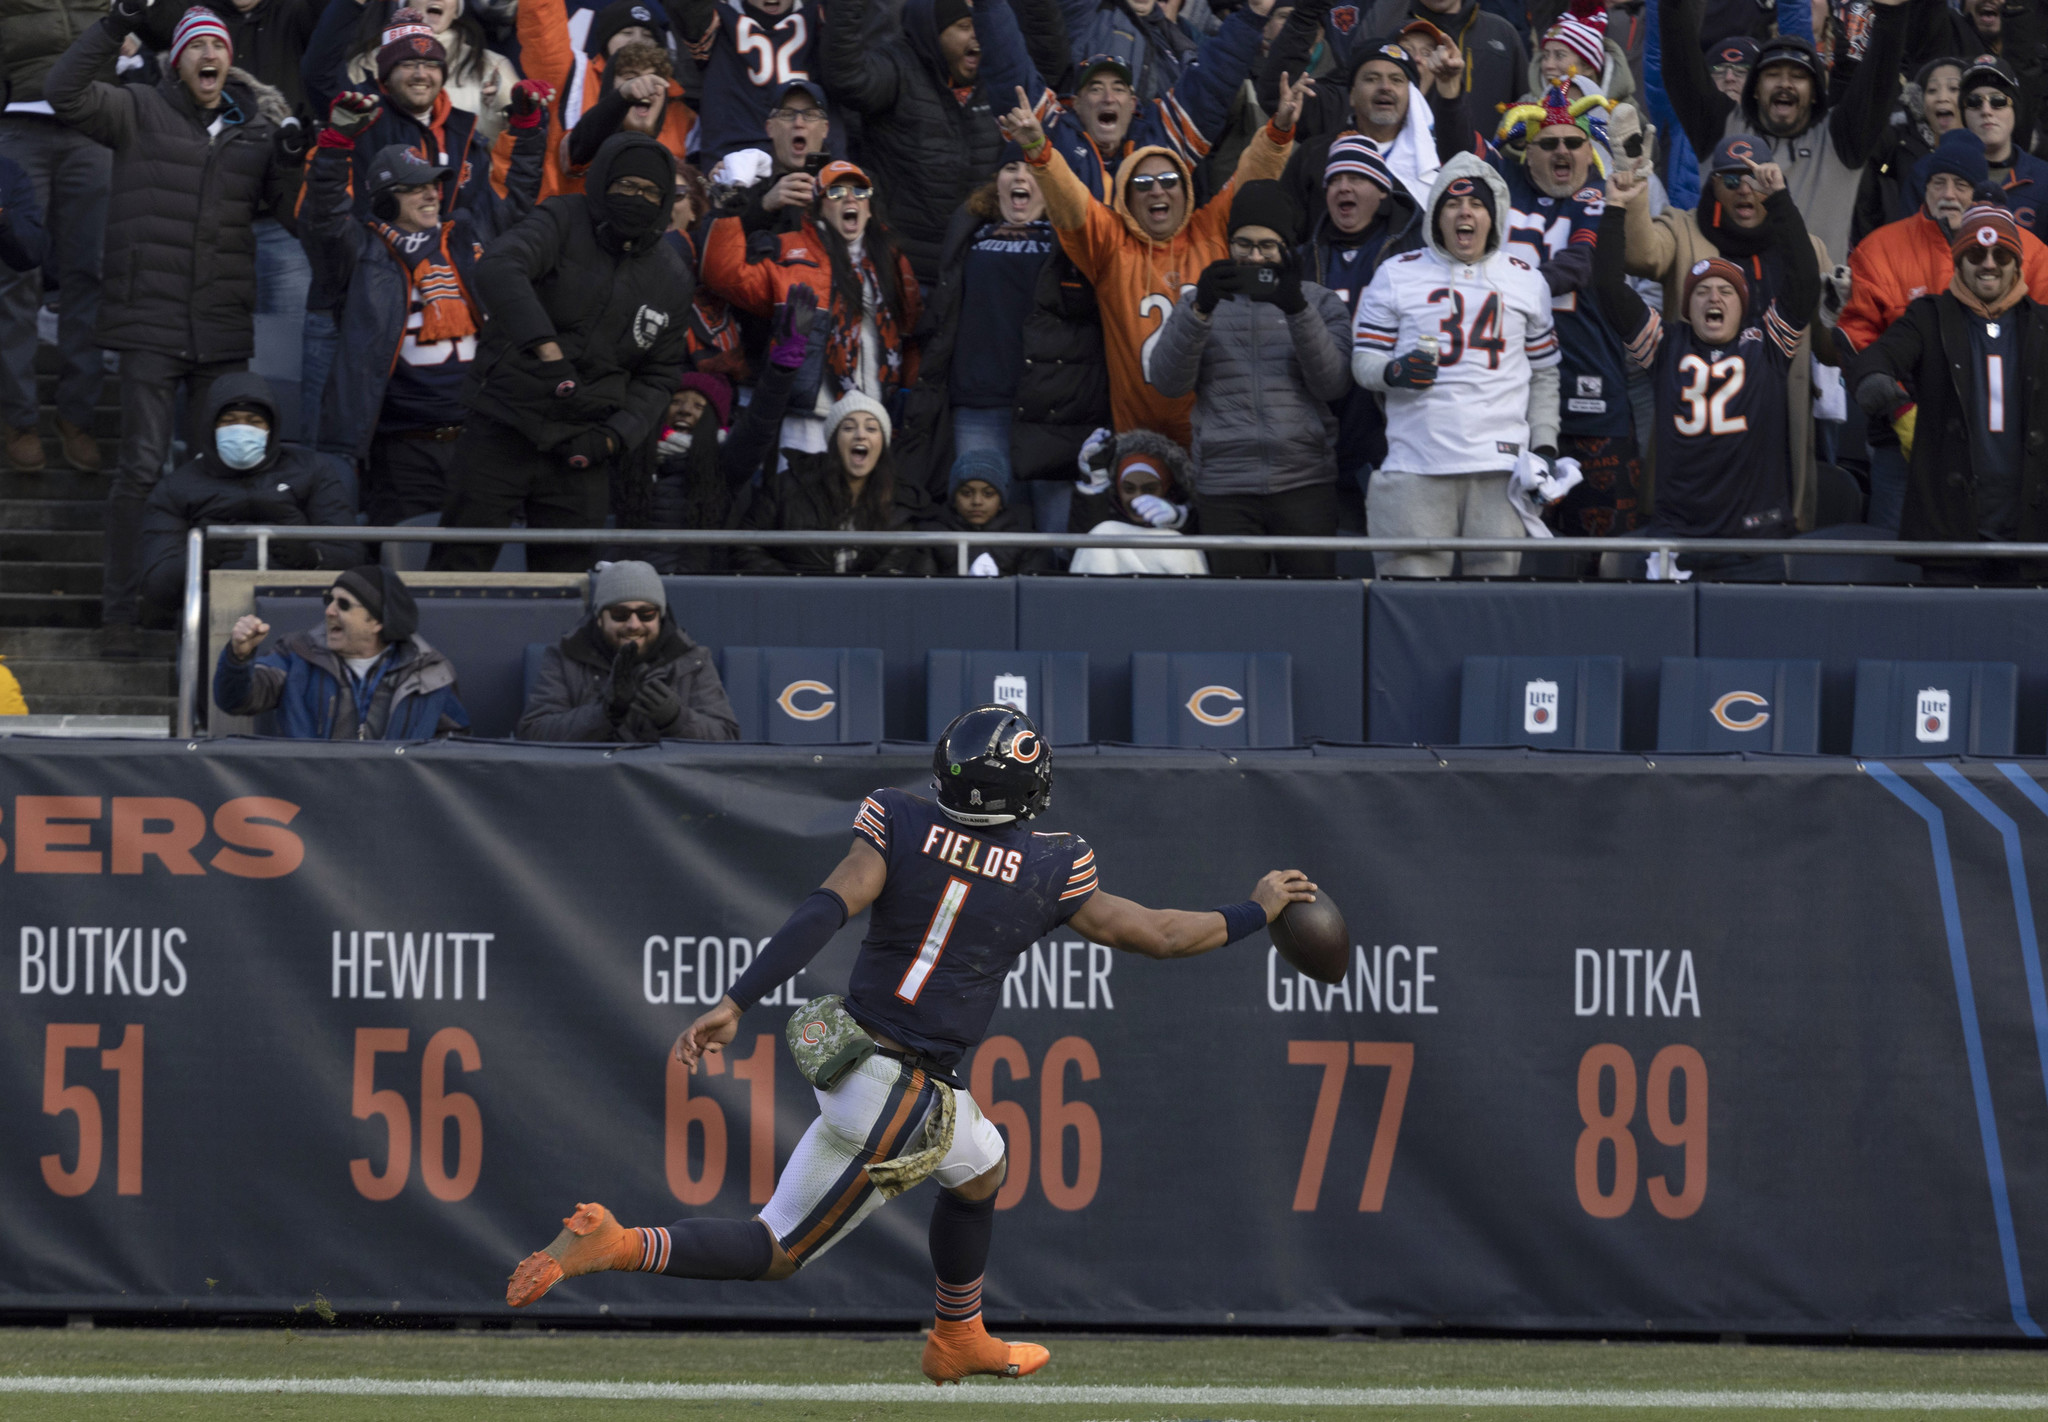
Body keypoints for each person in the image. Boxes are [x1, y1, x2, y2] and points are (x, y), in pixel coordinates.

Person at [502, 704, 1318, 1385]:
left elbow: (825, 908)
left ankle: (958, 1333)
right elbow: (1162, 936)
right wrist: (1258, 909)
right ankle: (616, 1245)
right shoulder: (1051, 867)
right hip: (905, 1090)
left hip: (850, 1054)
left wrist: (736, 1000)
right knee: (783, 1252)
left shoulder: (897, 819)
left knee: (982, 1166)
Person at [48, 3, 305, 659]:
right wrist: (114, 24)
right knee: (139, 468)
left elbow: (292, 208)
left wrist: (302, 158)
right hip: (150, 325)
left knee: (221, 472)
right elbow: (63, 92)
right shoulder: (137, 109)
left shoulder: (255, 130)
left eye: (219, 46)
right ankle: (121, 616)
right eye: (197, 47)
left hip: (221, 331)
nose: (209, 56)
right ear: (178, 59)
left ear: (229, 61)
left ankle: (204, 616)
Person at [429, 132, 692, 573]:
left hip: (583, 449)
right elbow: (499, 266)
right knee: (458, 567)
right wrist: (548, 353)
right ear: (603, 182)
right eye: (625, 186)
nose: (636, 198)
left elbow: (660, 376)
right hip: (503, 426)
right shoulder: (562, 218)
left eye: (650, 192)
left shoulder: (673, 277)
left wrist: (613, 437)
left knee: (568, 587)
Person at [1005, 74, 1309, 451]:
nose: (1157, 190)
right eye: (1143, 184)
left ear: (1186, 188)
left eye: (1168, 179)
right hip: (1139, 446)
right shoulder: (1111, 246)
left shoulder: (1210, 230)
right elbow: (1070, 199)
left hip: (1214, 441)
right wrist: (1038, 148)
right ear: (1127, 199)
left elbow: (1252, 177)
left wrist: (1279, 130)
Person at [305, 108, 547, 526]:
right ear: (384, 198)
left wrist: (527, 131)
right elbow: (323, 218)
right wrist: (334, 148)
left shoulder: (469, 233)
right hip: (402, 448)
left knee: (487, 565)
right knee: (407, 565)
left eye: (435, 184)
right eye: (415, 188)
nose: (432, 194)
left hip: (482, 437)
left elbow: (518, 198)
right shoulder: (359, 251)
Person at [1593, 161, 1817, 570]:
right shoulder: (1665, 346)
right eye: (1702, 292)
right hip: (1677, 537)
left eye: (1725, 291)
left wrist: (1781, 200)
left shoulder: (1768, 345)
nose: (1714, 298)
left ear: (1744, 305)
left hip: (1755, 537)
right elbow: (1609, 288)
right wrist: (1615, 209)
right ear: (1686, 308)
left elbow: (1804, 282)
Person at [1352, 153, 1560, 577]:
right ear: (1435, 216)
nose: (1465, 212)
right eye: (1452, 203)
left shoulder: (1526, 278)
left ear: (1495, 214)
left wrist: (1543, 446)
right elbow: (1363, 360)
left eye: (1477, 204)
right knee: (1409, 604)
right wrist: (1393, 372)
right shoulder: (1397, 274)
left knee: (1490, 607)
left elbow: (1544, 373)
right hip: (1416, 464)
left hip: (1500, 468)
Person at [1838, 128, 2048, 530]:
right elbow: (1860, 342)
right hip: (1903, 446)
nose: (1948, 193)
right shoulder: (1881, 249)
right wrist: (1900, 409)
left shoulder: (2031, 253)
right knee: (1906, 578)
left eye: (1961, 183)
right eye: (1938, 182)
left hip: (2011, 449)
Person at [1621, 134, 1832, 529]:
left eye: (1756, 178)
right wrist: (1632, 192)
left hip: (1777, 437)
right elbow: (1639, 255)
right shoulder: (1682, 228)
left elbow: (1830, 350)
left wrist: (1838, 315)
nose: (1745, 189)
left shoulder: (1808, 249)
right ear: (1713, 185)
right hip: (1695, 446)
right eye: (1731, 180)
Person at [1148, 180, 1350, 575]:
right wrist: (1201, 311)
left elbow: (1333, 385)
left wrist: (1297, 309)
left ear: (1287, 249)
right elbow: (1167, 382)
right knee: (1237, 615)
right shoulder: (1197, 302)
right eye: (1243, 245)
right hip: (1225, 487)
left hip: (1304, 482)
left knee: (1313, 609)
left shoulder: (1320, 302)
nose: (1255, 257)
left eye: (1267, 246)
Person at [1852, 205, 2048, 578]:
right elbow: (1875, 361)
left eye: (2001, 255)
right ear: (1958, 262)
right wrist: (1897, 409)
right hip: (1950, 533)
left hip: (2034, 537)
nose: (1988, 264)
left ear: (2018, 263)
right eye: (1975, 253)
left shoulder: (2043, 324)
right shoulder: (1928, 316)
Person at [1492, 85, 1642, 542]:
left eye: (1574, 142)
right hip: (1510, 411)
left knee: (1603, 561)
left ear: (1588, 150)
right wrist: (1453, 96)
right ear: (1527, 151)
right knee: (1513, 564)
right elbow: (1457, 162)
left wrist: (1504, 292)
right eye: (1549, 143)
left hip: (1594, 407)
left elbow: (1580, 263)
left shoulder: (1602, 194)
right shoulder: (1504, 186)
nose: (1563, 151)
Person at [1657, 0, 1909, 272]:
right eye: (1773, 74)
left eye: (1798, 76)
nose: (1785, 83)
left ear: (1814, 93)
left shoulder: (1842, 140)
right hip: (1729, 303)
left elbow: (1880, 79)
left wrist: (1892, 13)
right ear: (1754, 89)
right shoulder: (1721, 126)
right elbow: (1679, 63)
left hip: (1814, 311)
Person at [703, 159, 922, 455]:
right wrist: (729, 210)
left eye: (859, 192)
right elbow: (725, 276)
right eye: (835, 192)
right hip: (807, 417)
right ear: (817, 207)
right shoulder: (788, 250)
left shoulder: (893, 259)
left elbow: (912, 331)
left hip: (872, 419)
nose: (849, 198)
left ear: (869, 208)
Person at [980, 0, 1276, 204]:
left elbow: (1211, 84)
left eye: (1119, 89)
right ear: (1076, 102)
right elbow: (1007, 69)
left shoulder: (1160, 142)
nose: (1108, 98)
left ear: (1134, 103)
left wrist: (1252, 18)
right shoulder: (1053, 136)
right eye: (1095, 89)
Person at [898, 143, 1056, 508]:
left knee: (1053, 533)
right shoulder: (969, 228)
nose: (1020, 176)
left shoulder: (1070, 237)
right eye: (1011, 167)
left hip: (1048, 406)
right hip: (978, 401)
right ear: (997, 181)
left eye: (1033, 169)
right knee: (984, 522)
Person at [137, 373, 362, 628]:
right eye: (229, 421)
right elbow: (156, 586)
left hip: (304, 605)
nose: (241, 430)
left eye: (254, 422)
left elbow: (352, 555)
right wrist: (198, 560)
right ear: (211, 428)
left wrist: (313, 557)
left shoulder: (312, 470)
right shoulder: (176, 486)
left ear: (271, 429)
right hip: (214, 611)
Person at [0, 0, 111, 474]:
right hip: (17, 128)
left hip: (90, 127)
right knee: (14, 275)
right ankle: (17, 419)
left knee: (92, 272)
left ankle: (77, 415)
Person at [821, 0, 1001, 283]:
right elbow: (846, 76)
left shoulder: (997, 77)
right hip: (905, 271)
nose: (976, 35)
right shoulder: (898, 66)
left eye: (978, 25)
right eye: (964, 27)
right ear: (933, 31)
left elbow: (1050, 62)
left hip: (974, 272)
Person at [647, 292, 817, 573]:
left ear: (718, 421)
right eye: (677, 401)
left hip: (700, 593)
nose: (685, 410)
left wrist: (783, 366)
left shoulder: (724, 464)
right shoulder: (638, 456)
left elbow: (759, 423)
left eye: (699, 406)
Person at [1299, 137, 1420, 515]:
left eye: (1356, 177)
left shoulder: (1413, 252)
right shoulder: (1304, 257)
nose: (1343, 187)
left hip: (1389, 427)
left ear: (1383, 190)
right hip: (1322, 429)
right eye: (1335, 180)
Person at [214, 566, 470, 739]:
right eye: (330, 601)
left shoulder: (430, 672)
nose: (329, 611)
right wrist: (239, 657)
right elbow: (236, 701)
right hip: (308, 797)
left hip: (396, 802)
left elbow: (453, 742)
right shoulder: (296, 654)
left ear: (377, 621)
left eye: (343, 604)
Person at [517, 560, 740, 742]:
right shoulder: (567, 656)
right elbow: (533, 733)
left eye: (646, 614)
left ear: (660, 618)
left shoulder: (692, 659)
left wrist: (676, 718)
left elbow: (727, 738)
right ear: (599, 619)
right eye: (620, 614)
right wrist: (604, 713)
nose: (633, 625)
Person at [1260, 28, 1466, 214]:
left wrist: (1449, 86)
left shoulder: (1431, 157)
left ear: (1412, 95)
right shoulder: (1315, 155)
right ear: (1352, 95)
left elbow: (1461, 161)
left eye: (1396, 80)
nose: (1385, 87)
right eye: (1371, 78)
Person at [735, 391, 934, 574]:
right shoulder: (789, 485)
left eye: (871, 428)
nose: (860, 435)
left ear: (882, 445)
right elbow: (744, 545)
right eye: (848, 427)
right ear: (834, 442)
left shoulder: (903, 503)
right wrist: (791, 585)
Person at [337, 0, 520, 145]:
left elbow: (511, 155)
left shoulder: (493, 66)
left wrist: (495, 113)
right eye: (407, 65)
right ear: (405, 5)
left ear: (457, 10)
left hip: (466, 187)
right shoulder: (364, 64)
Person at [675, 0, 829, 169]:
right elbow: (690, 9)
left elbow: (848, 41)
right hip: (732, 165)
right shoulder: (717, 21)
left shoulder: (821, 16)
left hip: (813, 165)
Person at [1854, 56, 1965, 249]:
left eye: (1954, 89)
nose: (1942, 97)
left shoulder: (1988, 147)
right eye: (1932, 90)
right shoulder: (1898, 144)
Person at [1069, 433, 1210, 573]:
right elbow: (1082, 547)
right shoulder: (1107, 516)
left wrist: (1180, 518)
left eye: (1149, 489)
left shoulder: (1188, 517)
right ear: (1118, 489)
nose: (1138, 497)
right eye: (1129, 488)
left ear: (1167, 489)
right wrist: (1095, 486)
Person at [927, 448, 1054, 575]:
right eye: (966, 493)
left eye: (988, 494)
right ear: (953, 498)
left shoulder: (1027, 542)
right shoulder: (930, 537)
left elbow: (1032, 592)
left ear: (1001, 500)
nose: (977, 501)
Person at [1958, 58, 2048, 233]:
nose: (1986, 110)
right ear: (1963, 114)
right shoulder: (1942, 180)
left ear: (2015, 111)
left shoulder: (2045, 179)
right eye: (1974, 101)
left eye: (1998, 101)